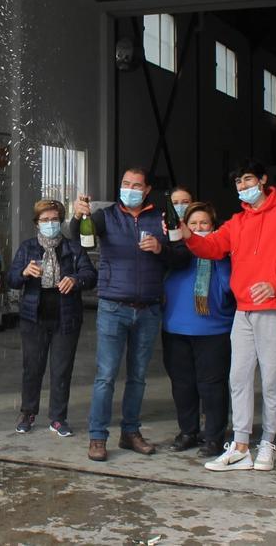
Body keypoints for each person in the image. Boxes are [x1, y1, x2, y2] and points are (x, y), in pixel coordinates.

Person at [181, 160, 276, 472]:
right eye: (238, 182)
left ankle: (267, 442)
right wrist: (187, 234)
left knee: (271, 379)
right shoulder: (238, 222)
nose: (243, 186)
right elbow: (211, 246)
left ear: (264, 179)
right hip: (244, 310)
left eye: (248, 179)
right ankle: (241, 445)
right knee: (238, 377)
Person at [70, 168, 189, 462]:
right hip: (113, 307)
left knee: (138, 377)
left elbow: (181, 254)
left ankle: (130, 432)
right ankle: (98, 437)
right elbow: (77, 239)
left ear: (147, 190)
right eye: (126, 184)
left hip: (148, 308)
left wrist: (160, 249)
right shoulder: (106, 216)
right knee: (106, 376)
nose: (130, 189)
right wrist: (77, 216)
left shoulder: (160, 218)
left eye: (137, 185)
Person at [7, 199, 95, 437]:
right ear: (37, 223)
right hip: (33, 317)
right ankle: (28, 412)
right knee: (32, 367)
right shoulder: (27, 248)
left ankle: (58, 417)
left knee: (61, 369)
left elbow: (90, 275)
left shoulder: (73, 247)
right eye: (44, 220)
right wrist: (24, 272)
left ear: (61, 220)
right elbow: (12, 279)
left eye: (54, 219)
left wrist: (76, 280)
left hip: (66, 317)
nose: (50, 224)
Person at [162, 202, 235, 458]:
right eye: (193, 224)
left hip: (213, 330)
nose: (198, 228)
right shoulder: (175, 251)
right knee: (182, 385)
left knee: (212, 386)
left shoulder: (221, 254)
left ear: (214, 226)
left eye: (204, 223)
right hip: (176, 328)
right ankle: (188, 431)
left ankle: (214, 436)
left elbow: (231, 287)